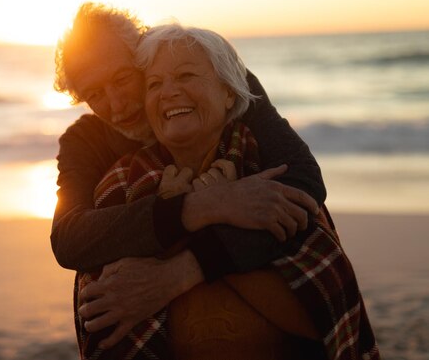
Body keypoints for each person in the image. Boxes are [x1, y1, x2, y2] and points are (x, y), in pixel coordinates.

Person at [74, 24, 378, 359]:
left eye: (186, 76)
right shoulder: (115, 190)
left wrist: (185, 256)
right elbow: (79, 259)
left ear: (230, 93)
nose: (169, 92)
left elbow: (324, 319)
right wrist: (190, 206)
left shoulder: (273, 183)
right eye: (155, 84)